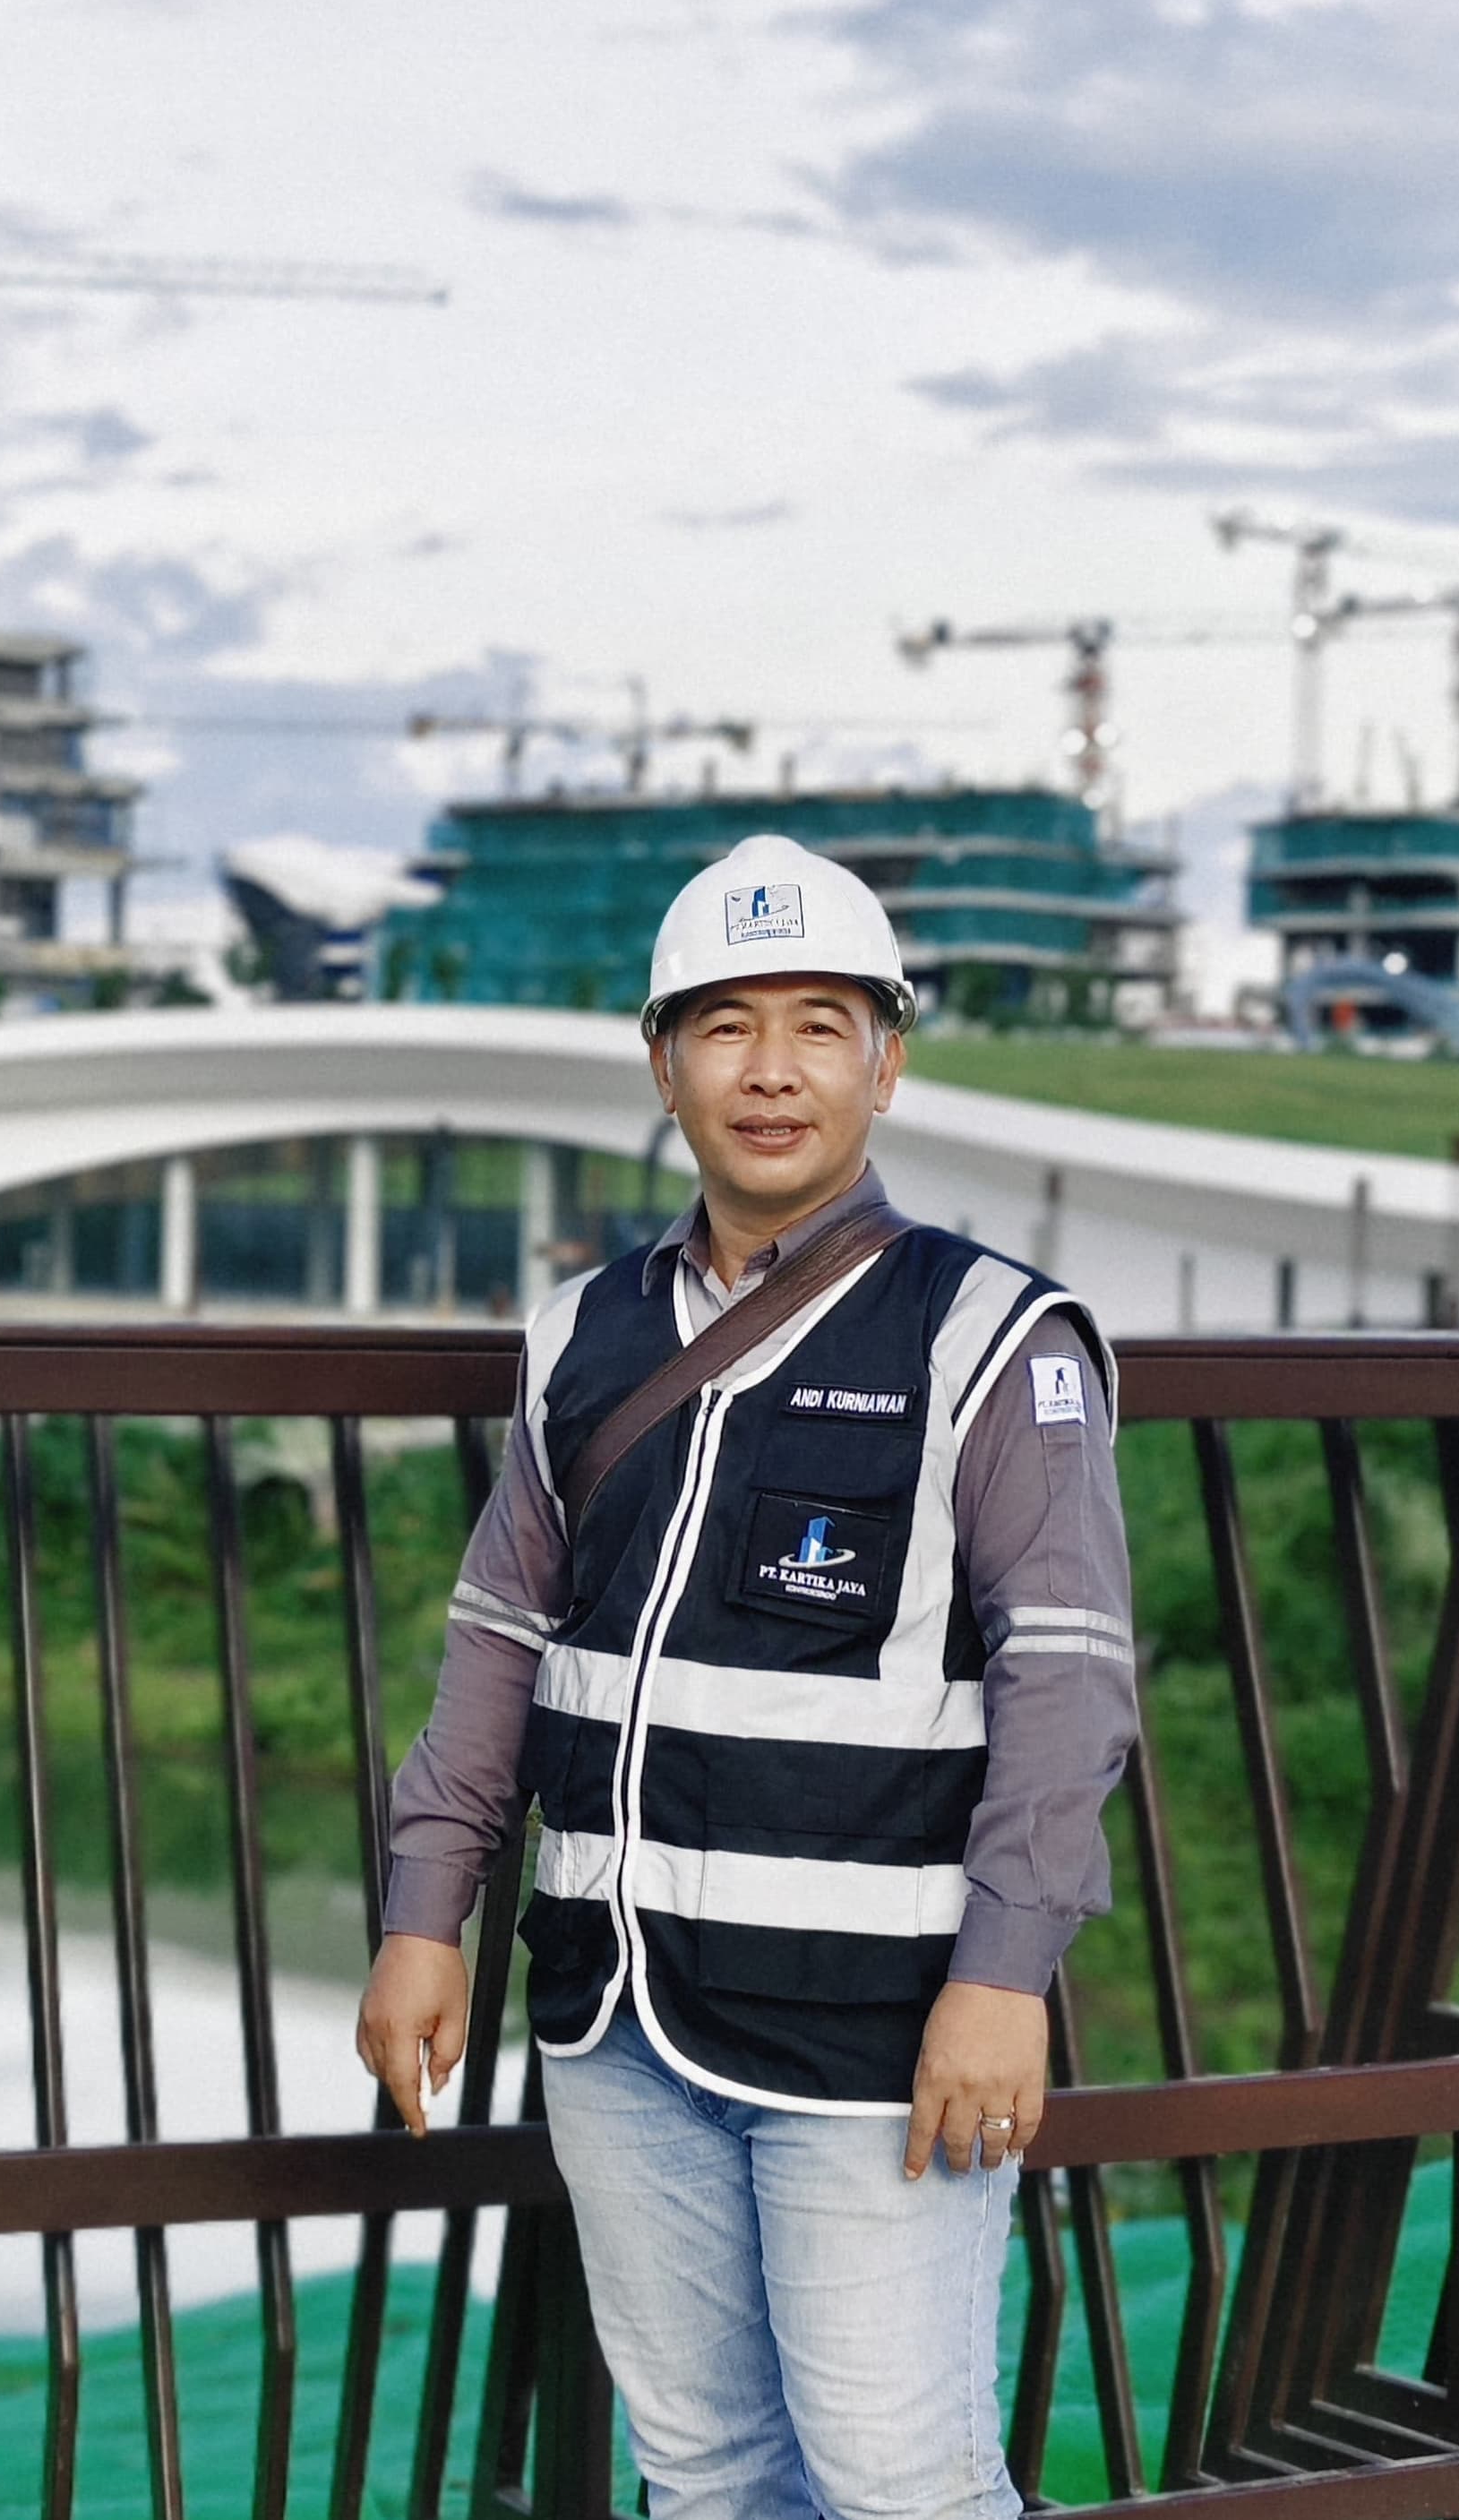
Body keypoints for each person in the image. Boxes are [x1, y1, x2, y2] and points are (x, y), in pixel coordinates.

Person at [355, 835, 1137, 2520]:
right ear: (662, 1063)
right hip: (613, 2016)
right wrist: (428, 1913)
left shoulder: (990, 1337)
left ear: (888, 1058)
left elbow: (1071, 1688)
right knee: (705, 2474)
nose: (769, 1070)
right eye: (724, 1027)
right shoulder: (584, 1335)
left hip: (880, 2034)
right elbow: (501, 1632)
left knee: (897, 2477)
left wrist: (1006, 1979)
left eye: (817, 1024)